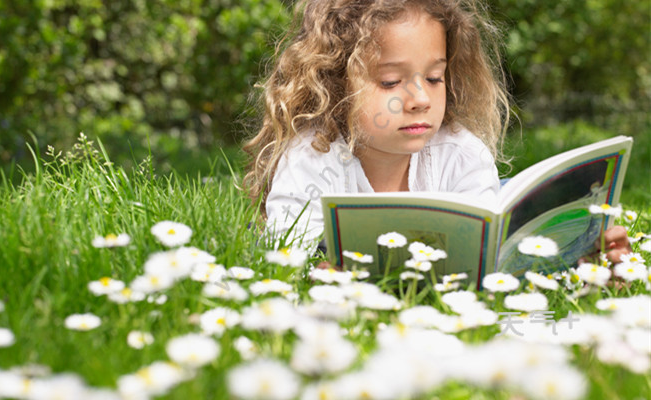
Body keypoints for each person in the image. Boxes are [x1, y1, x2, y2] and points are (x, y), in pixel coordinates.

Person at [242, 0, 631, 263]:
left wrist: (575, 257)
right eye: (391, 82)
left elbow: (489, 260)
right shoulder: (313, 156)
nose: (420, 99)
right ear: (336, 84)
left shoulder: (460, 154)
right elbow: (286, 253)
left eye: (433, 77)